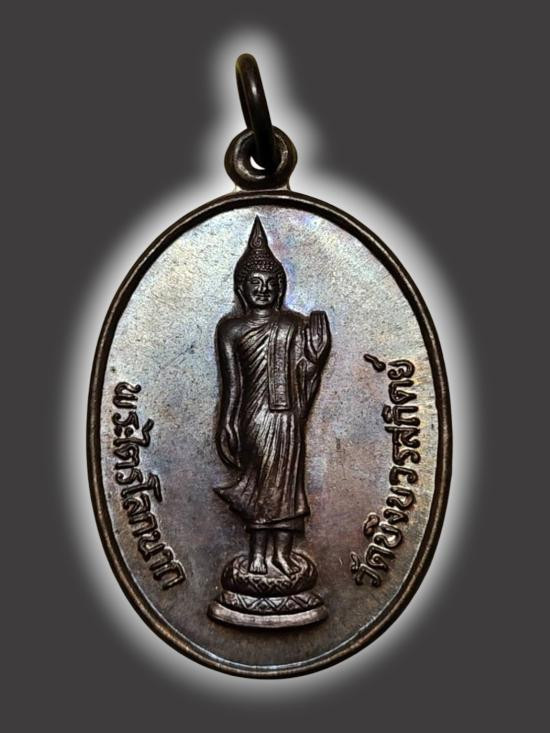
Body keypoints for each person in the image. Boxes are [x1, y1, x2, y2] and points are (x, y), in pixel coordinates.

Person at [214, 216, 330, 576]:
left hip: (288, 418)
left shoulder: (293, 325)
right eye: (255, 282)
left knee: (288, 487)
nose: (263, 289)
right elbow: (232, 385)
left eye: (270, 283)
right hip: (256, 417)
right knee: (263, 485)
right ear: (241, 288)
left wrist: (316, 358)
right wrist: (226, 423)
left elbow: (304, 374)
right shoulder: (231, 329)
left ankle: (281, 555)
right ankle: (258, 556)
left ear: (280, 286)